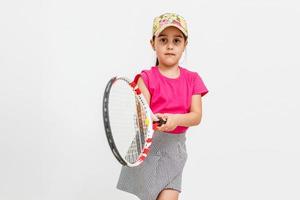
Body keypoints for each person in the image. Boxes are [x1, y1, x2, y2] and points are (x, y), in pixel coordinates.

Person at [116, 12, 209, 200]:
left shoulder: (193, 79)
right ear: (153, 44)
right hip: (149, 150)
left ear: (185, 44)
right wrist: (152, 119)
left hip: (174, 153)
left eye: (176, 41)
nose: (169, 46)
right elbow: (141, 116)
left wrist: (176, 120)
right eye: (163, 40)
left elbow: (196, 116)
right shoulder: (146, 78)